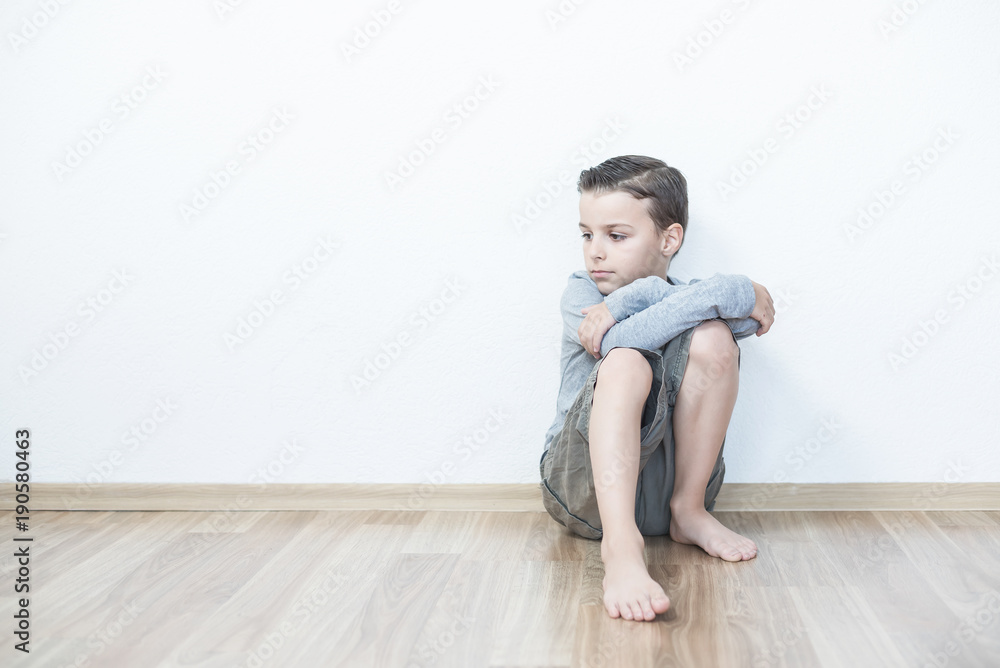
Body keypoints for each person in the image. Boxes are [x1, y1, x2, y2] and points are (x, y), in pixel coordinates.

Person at [538, 155, 775, 622]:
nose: (595, 252)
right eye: (587, 234)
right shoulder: (582, 295)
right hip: (585, 492)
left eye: (616, 236)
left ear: (669, 239)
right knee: (626, 361)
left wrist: (642, 294)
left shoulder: (677, 297)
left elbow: (748, 316)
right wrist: (727, 290)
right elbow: (617, 341)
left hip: (667, 494)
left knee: (713, 336)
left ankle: (690, 512)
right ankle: (621, 550)